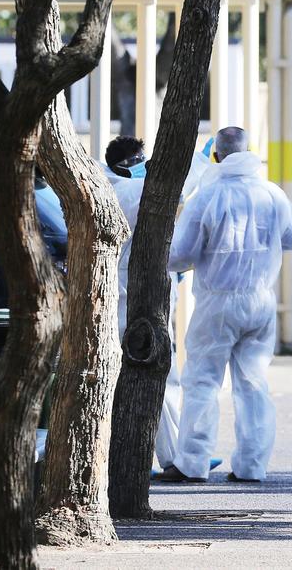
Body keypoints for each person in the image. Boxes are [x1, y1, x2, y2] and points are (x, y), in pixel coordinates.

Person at [159, 126, 292, 484]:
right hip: (261, 300)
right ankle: (253, 465)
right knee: (253, 382)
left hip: (217, 302)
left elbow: (181, 255)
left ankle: (192, 462)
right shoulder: (273, 194)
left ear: (217, 156)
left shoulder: (207, 197)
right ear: (248, 151)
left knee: (203, 381)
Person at [104, 135, 220, 474]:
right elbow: (173, 191)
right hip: (135, 294)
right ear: (125, 165)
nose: (144, 165)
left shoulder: (114, 186)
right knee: (161, 373)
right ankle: (176, 458)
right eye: (139, 160)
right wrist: (197, 162)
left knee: (145, 375)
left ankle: (167, 456)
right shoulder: (126, 192)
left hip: (131, 291)